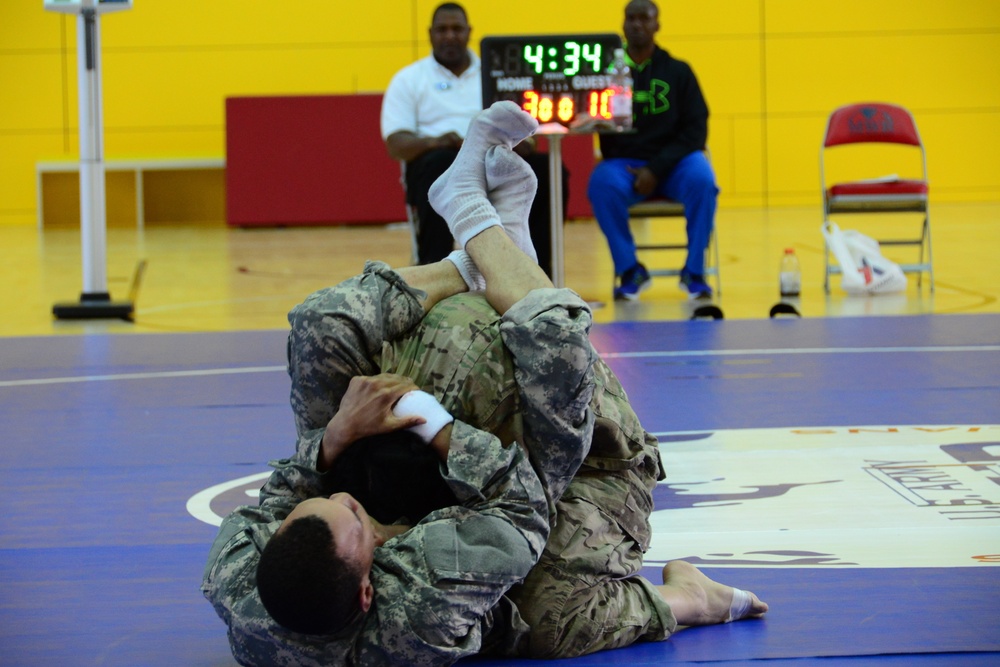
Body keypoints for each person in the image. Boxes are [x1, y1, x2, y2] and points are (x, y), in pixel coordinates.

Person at [202, 102, 766, 666]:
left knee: (320, 325)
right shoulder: (419, 608)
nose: (344, 497)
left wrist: (333, 441)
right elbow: (521, 503)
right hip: (583, 474)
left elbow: (281, 497)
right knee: (549, 616)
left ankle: (471, 264)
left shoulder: (241, 587)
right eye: (350, 514)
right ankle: (476, 220)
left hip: (422, 510)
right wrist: (427, 417)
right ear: (371, 589)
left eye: (323, 505)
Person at [380, 1, 568, 277]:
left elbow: (527, 133)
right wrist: (438, 142)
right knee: (437, 164)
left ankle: (538, 274)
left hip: (495, 162)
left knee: (548, 169)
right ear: (430, 33)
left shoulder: (495, 75)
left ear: (469, 32)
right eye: (442, 29)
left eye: (457, 29)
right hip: (439, 162)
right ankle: (435, 273)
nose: (450, 35)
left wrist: (519, 142)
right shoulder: (408, 79)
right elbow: (396, 143)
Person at [588, 0, 719, 301]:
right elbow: (596, 124)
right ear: (623, 25)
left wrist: (656, 169)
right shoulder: (607, 74)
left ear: (657, 25)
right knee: (601, 184)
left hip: (674, 163)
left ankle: (695, 271)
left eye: (644, 19)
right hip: (624, 165)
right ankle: (631, 269)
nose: (637, 25)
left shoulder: (679, 71)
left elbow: (696, 130)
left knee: (704, 181)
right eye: (631, 18)